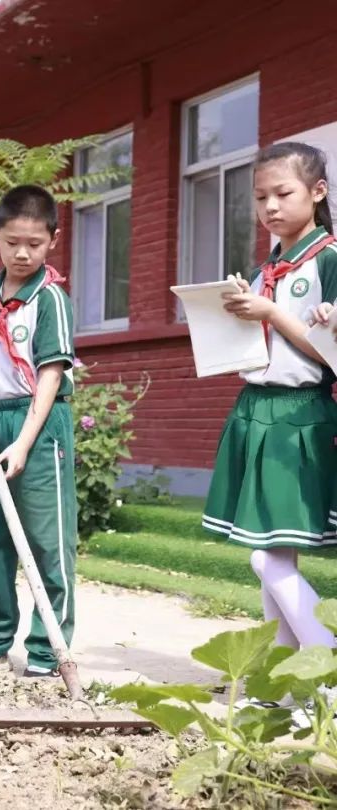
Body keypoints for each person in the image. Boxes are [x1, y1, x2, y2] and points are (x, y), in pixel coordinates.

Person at [206, 141, 337, 660]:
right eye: (261, 197)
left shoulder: (328, 262)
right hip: (256, 408)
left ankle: (324, 664)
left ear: (318, 191)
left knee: (268, 558)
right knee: (271, 550)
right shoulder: (269, 269)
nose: (270, 207)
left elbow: (330, 355)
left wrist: (270, 312)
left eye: (283, 193)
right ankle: (281, 681)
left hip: (300, 414)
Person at [0, 184, 78, 678]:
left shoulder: (50, 299)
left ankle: (49, 646)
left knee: (47, 539)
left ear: (53, 240)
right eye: (12, 243)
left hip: (38, 423)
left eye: (35, 243)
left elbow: (51, 374)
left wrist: (25, 443)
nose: (22, 253)